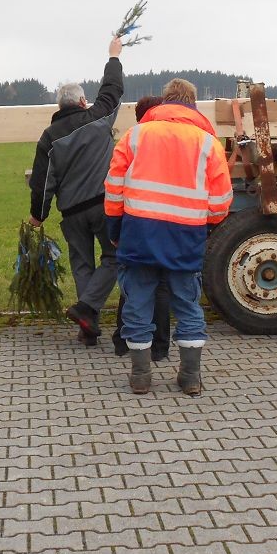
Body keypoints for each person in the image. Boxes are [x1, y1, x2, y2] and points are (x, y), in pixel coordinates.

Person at [105, 78, 233, 395]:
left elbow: (114, 188)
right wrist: (203, 224)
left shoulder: (135, 135)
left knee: (137, 304)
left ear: (165, 101)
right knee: (188, 305)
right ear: (192, 104)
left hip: (140, 233)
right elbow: (220, 202)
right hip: (185, 236)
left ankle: (140, 376)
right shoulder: (208, 143)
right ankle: (190, 377)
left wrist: (115, 229)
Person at [30, 36, 125, 346]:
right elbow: (112, 90)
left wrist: (38, 215)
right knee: (115, 257)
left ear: (60, 106)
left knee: (82, 264)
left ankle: (87, 327)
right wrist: (113, 57)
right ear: (83, 102)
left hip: (71, 212)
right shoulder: (98, 117)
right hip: (103, 205)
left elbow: (43, 181)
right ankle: (86, 310)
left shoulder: (49, 136)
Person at [110, 95, 171, 360]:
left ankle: (124, 340)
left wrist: (115, 229)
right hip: (168, 224)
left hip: (134, 223)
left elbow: (115, 185)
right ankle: (159, 345)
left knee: (132, 285)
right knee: (161, 286)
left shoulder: (130, 140)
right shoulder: (173, 142)